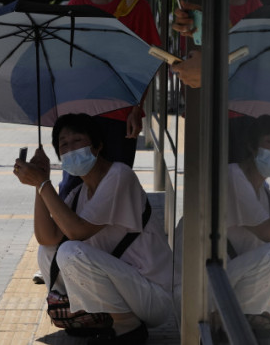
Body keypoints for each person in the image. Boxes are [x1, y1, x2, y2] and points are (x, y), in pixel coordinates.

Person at [14, 113, 172, 344]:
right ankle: (95, 317)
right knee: (49, 252)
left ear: (98, 146)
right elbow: (47, 239)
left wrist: (43, 184)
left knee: (70, 252)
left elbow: (77, 232)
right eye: (64, 145)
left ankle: (127, 326)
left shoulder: (119, 175)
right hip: (127, 289)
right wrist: (41, 182)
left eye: (77, 141)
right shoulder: (79, 193)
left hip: (153, 295)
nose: (70, 149)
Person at [175, 115, 270, 339]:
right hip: (199, 287)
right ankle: (246, 318)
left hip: (224, 281)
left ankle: (253, 316)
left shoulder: (263, 191)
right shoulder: (232, 176)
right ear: (251, 145)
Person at [59, 0, 161, 198]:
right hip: (79, 113)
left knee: (116, 188)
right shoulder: (77, 5)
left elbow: (149, 61)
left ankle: (112, 239)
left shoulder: (138, 9)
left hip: (120, 113)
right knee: (74, 186)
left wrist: (137, 108)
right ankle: (68, 237)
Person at [170, 0, 262, 162]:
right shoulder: (197, 8)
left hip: (245, 111)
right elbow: (189, 58)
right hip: (206, 111)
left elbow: (258, 55)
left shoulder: (253, 5)